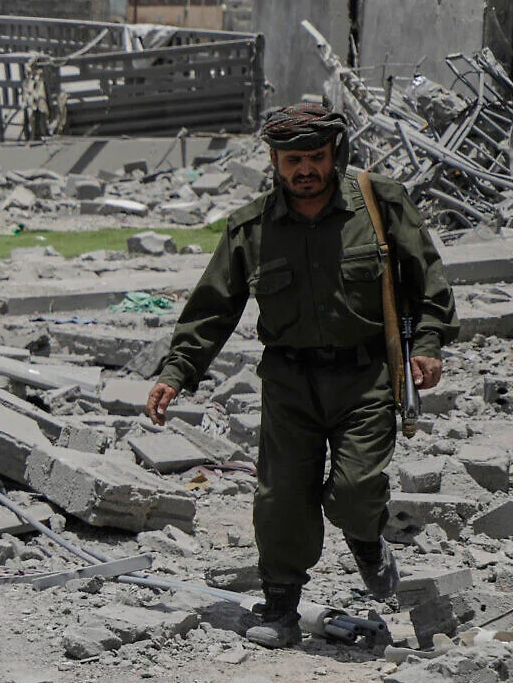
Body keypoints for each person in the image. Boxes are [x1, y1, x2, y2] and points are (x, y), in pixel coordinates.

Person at [146, 103, 457, 648]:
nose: (305, 169)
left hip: (366, 377)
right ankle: (281, 607)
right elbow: (213, 309)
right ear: (274, 161)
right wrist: (177, 372)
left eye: (315, 157)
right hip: (290, 383)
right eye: (293, 160)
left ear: (335, 153)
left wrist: (427, 345)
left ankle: (366, 539)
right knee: (281, 498)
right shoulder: (251, 227)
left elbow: (429, 281)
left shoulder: (380, 203)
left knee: (356, 491)